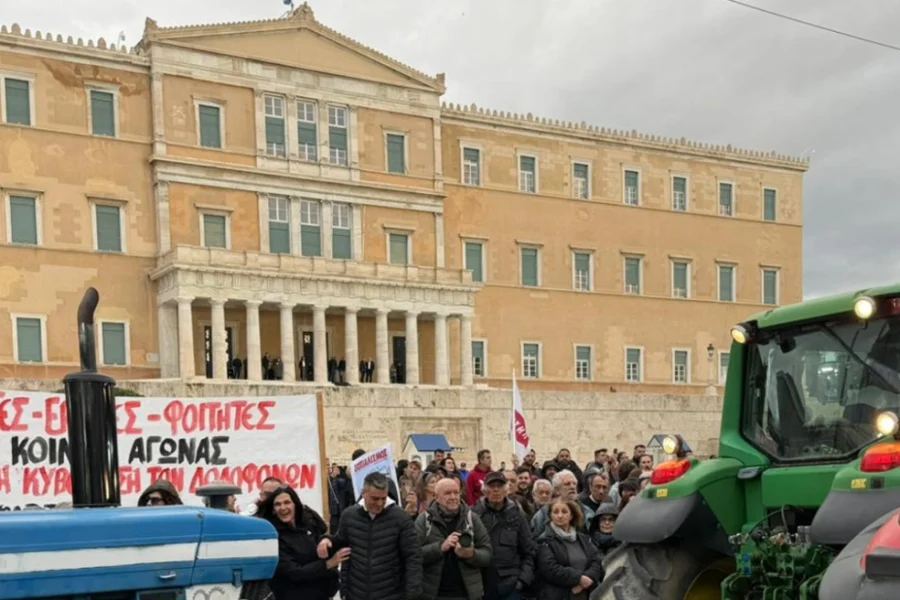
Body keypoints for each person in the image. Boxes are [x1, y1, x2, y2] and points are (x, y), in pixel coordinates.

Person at [317, 472, 422, 600]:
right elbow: (341, 541)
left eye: (383, 498)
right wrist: (326, 540)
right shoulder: (349, 516)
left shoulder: (401, 518)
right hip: (356, 593)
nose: (379, 503)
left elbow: (413, 558)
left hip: (391, 594)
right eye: (374, 498)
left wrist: (413, 595)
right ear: (364, 493)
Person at [258, 486, 347, 599]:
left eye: (287, 502)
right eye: (278, 504)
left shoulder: (307, 524)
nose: (283, 507)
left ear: (295, 504)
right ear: (273, 510)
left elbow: (320, 537)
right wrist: (329, 564)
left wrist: (326, 540)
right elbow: (294, 573)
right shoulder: (273, 536)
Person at [416, 477, 492, 600]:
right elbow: (414, 555)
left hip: (467, 594)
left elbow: (487, 554)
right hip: (433, 594)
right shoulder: (424, 520)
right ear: (436, 496)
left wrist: (471, 555)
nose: (453, 497)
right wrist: (440, 547)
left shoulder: (472, 518)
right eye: (447, 493)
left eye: (456, 492)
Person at [534, 498, 604, 599]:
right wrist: (579, 579)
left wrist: (587, 578)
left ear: (571, 515)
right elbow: (550, 569)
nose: (560, 516)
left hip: (585, 594)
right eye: (555, 512)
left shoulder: (583, 538)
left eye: (564, 511)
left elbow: (597, 561)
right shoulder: (544, 540)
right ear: (550, 515)